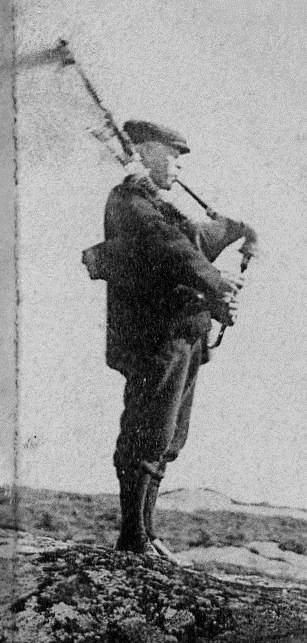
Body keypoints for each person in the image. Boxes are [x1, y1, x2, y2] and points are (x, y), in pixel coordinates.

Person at [83, 120, 257, 558]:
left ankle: (147, 531)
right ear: (144, 153)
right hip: (153, 338)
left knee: (168, 437)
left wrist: (222, 289)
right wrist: (215, 279)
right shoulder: (129, 200)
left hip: (183, 334)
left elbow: (187, 257)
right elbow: (165, 249)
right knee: (147, 429)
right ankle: (132, 536)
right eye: (173, 156)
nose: (179, 166)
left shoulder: (162, 208)